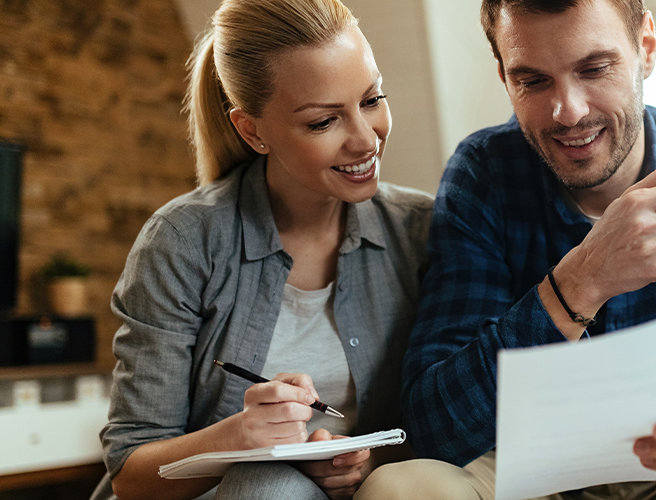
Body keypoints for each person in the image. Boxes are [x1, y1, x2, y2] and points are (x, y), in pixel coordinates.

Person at [357, 0, 656, 497]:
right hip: (532, 466)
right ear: (503, 76)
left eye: (595, 69)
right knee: (401, 488)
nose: (569, 111)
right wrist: (582, 280)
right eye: (533, 81)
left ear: (644, 48)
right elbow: (435, 428)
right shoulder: (486, 173)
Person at [89, 0, 431, 498]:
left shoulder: (421, 230)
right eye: (322, 122)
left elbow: (455, 414)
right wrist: (237, 438)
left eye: (372, 99)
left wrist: (363, 459)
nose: (365, 140)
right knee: (267, 483)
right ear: (253, 130)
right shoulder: (182, 242)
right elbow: (130, 476)